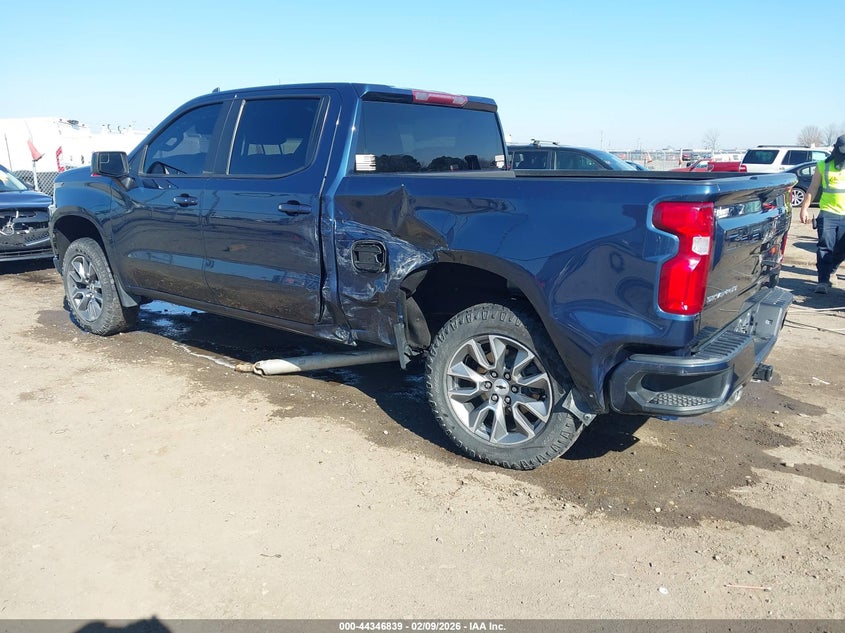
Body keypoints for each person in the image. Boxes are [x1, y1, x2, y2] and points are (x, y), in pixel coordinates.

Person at [799, 134, 845, 293]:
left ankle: (831, 270)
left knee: (842, 249)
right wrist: (804, 208)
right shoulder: (823, 165)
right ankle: (823, 281)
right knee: (825, 247)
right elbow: (812, 189)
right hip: (828, 213)